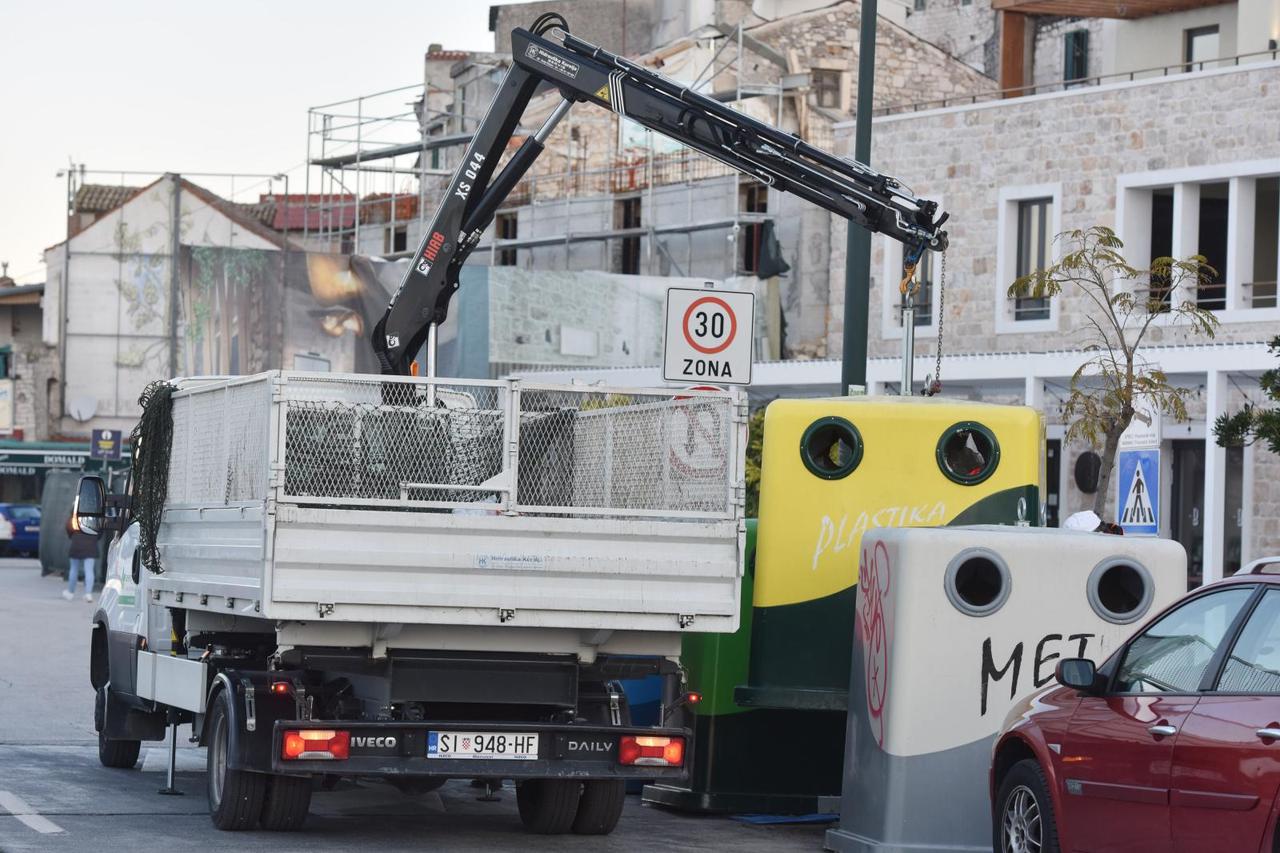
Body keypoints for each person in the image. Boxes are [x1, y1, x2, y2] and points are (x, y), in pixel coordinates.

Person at [64, 517, 98, 602]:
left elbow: (69, 528)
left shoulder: (75, 516)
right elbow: (100, 531)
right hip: (91, 546)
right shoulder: (94, 517)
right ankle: (88, 594)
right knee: (89, 570)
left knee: (74, 569)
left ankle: (70, 593)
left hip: (76, 544)